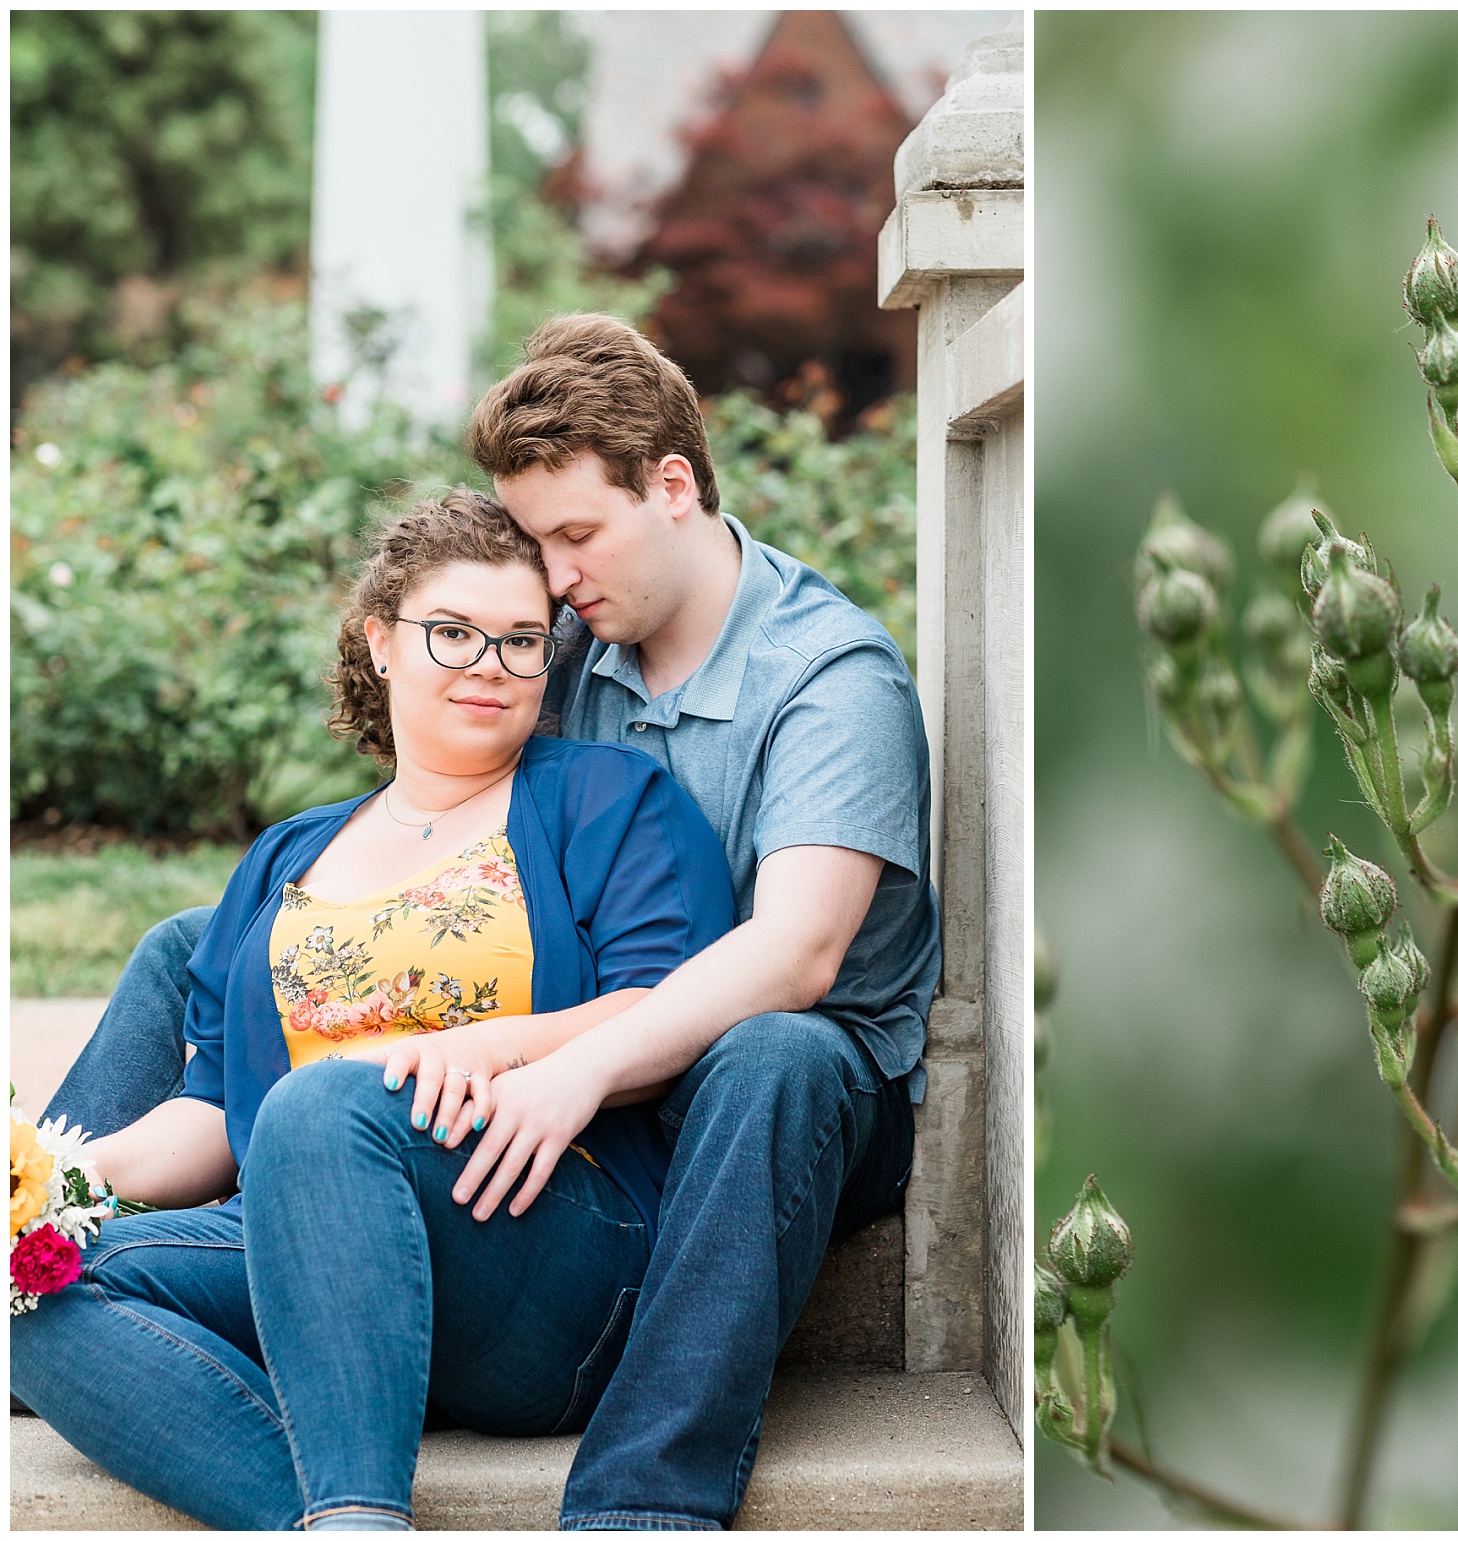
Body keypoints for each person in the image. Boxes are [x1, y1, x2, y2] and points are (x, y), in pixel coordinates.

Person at [34, 314, 941, 1529]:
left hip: (790, 1078)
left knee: (768, 1053)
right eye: (534, 550)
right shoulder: (574, 634)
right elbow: (439, 775)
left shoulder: (826, 679)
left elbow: (796, 953)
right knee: (199, 955)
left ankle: (644, 1496)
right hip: (547, 1072)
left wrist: (555, 1060)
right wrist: (60, 1180)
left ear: (673, 487)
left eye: (574, 538)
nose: (545, 592)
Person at [12, 490, 735, 1530]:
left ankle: (356, 1505)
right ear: (381, 640)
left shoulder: (610, 798)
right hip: (309, 1248)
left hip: (538, 1247)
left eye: (522, 639)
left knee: (322, 1103)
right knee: (34, 1279)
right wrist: (46, 1180)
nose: (490, 663)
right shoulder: (287, 855)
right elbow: (213, 1111)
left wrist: (496, 1047)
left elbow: (672, 1006)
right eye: (454, 632)